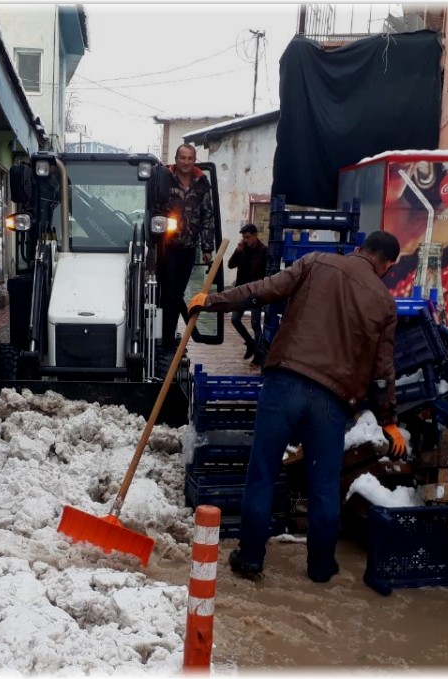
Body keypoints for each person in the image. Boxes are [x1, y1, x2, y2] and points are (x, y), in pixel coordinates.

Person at [188, 231, 407, 583]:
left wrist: (212, 301)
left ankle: (250, 559)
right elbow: (383, 371)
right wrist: (389, 421)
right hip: (332, 401)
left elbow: (261, 290)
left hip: (284, 383)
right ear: (388, 265)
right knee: (323, 486)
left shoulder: (316, 262)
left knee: (261, 474)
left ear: (358, 249)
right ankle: (321, 568)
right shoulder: (384, 302)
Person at [157, 144, 216, 359]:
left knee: (177, 293)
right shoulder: (164, 178)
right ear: (176, 158)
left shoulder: (202, 183)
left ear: (194, 160)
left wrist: (207, 247)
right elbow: (154, 208)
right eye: (182, 157)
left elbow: (207, 216)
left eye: (190, 158)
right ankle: (166, 338)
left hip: (189, 247)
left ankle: (169, 335)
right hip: (167, 246)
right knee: (169, 292)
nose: (186, 162)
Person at [227, 223, 269, 360]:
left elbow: (268, 273)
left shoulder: (264, 251)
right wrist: (237, 250)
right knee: (235, 319)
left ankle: (259, 354)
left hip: (256, 292)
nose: (245, 240)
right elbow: (230, 265)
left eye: (248, 237)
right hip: (241, 290)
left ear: (255, 235)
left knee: (255, 323)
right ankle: (250, 342)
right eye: (244, 237)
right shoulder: (242, 249)